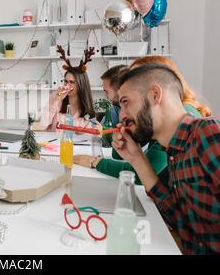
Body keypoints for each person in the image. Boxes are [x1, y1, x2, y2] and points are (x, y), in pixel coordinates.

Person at [112, 63, 220, 254]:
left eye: (125, 102)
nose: (122, 116)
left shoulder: (208, 133)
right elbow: (178, 219)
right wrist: (136, 158)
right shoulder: (173, 152)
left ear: (155, 95)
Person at [74, 56, 209, 185]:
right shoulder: (155, 124)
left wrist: (95, 162)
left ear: (155, 93)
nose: (122, 116)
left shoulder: (189, 124)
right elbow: (163, 196)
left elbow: (143, 175)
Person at [39, 66, 101, 132]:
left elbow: (91, 134)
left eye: (71, 82)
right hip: (53, 142)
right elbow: (42, 125)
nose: (67, 85)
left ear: (81, 84)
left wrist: (97, 130)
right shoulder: (56, 97)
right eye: (65, 81)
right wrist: (56, 100)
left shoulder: (87, 107)